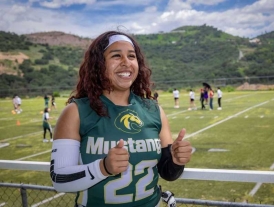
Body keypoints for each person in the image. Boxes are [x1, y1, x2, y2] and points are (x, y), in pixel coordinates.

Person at [50, 31, 192, 207]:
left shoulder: (154, 110)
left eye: (131, 56)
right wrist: (103, 168)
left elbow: (168, 172)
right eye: (116, 56)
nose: (126, 62)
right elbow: (59, 180)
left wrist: (177, 160)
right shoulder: (76, 112)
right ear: (98, 64)